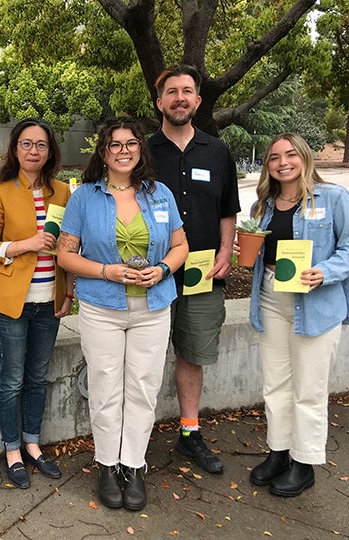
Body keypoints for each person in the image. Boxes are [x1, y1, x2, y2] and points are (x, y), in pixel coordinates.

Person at [57, 117, 188, 511]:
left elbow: (180, 245)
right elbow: (65, 254)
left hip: (153, 305)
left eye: (131, 143)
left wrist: (163, 268)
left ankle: (133, 465)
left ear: (140, 150)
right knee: (105, 387)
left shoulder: (160, 194)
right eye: (115, 144)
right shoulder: (84, 198)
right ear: (103, 151)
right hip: (103, 307)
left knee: (144, 386)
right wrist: (105, 271)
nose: (124, 150)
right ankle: (107, 465)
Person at [244, 133, 349, 497]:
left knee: (309, 389)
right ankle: (279, 452)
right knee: (275, 384)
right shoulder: (265, 204)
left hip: (315, 302)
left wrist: (326, 272)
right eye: (274, 157)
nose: (282, 162)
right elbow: (258, 247)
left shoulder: (333, 198)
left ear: (304, 158)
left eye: (290, 155)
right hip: (272, 297)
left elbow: (348, 248)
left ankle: (304, 463)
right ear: (267, 165)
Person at [148, 65, 240, 474]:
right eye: (172, 92)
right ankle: (135, 437)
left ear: (198, 101)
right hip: (154, 274)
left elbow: (228, 211)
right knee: (146, 357)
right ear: (160, 102)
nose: (180, 98)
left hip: (203, 274)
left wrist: (226, 254)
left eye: (187, 91)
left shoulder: (217, 152)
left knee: (193, 353)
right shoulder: (143, 152)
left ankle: (189, 432)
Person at [0, 118, 74, 489]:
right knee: (12, 379)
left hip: (49, 299)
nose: (33, 151)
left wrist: (68, 292)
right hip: (11, 302)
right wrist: (26, 245)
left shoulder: (64, 192)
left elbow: (71, 244)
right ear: (14, 149)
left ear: (50, 152)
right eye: (26, 144)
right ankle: (13, 450)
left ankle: (33, 443)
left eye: (41, 145)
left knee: (38, 377)